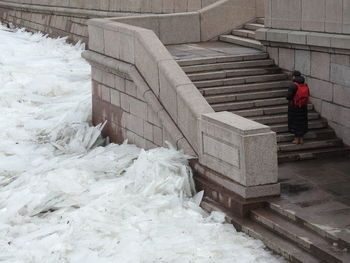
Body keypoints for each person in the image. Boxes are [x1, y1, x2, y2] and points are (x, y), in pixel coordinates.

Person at [286, 71, 309, 144]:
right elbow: (308, 94)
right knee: (302, 121)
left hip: (294, 106)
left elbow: (289, 97)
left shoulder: (293, 85)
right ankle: (301, 138)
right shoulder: (305, 85)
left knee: (295, 121)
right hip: (303, 106)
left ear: (293, 76)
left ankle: (296, 139)